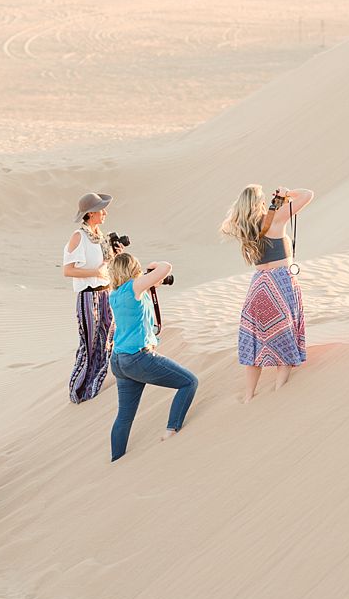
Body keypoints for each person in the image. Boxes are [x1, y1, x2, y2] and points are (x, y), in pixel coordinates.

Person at [220, 185, 314, 403]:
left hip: (259, 285)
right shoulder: (276, 219)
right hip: (280, 282)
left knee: (253, 340)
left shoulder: (246, 226)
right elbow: (308, 195)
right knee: (285, 334)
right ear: (260, 203)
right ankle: (280, 391)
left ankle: (248, 396)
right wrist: (286, 193)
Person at [106, 253, 198, 462]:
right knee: (189, 382)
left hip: (120, 361)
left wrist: (152, 280)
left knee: (124, 416)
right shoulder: (134, 288)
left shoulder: (116, 294)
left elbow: (148, 287)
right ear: (133, 269)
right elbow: (166, 266)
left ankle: (116, 460)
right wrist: (153, 266)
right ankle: (172, 430)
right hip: (138, 358)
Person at [62, 192, 116, 404]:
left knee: (106, 341)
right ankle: (78, 390)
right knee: (89, 343)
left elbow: (107, 266)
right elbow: (68, 270)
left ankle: (94, 385)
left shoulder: (100, 237)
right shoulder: (79, 236)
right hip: (88, 296)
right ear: (91, 213)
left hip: (106, 293)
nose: (105, 213)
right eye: (101, 209)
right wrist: (95, 273)